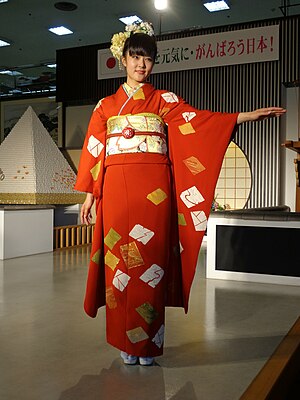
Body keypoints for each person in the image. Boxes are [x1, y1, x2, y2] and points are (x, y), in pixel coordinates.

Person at [74, 21, 286, 366]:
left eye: (148, 59)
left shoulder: (164, 101)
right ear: (123, 59)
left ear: (153, 63)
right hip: (114, 191)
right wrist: (89, 197)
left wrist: (245, 117)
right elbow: (95, 151)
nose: (141, 65)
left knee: (151, 264)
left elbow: (200, 122)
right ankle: (126, 343)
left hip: (153, 189)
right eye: (135, 57)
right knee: (120, 268)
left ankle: (148, 343)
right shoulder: (104, 107)